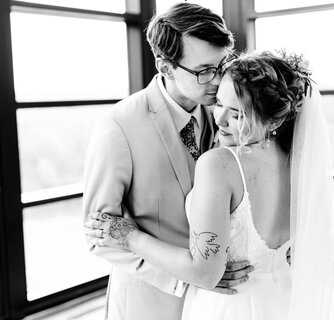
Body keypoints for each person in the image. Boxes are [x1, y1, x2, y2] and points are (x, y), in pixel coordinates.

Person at [86, 51, 334, 320]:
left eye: (237, 115)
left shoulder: (219, 164)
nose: (219, 120)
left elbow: (204, 273)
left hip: (229, 307)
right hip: (280, 300)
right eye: (218, 103)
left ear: (274, 120)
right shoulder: (299, 163)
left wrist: (130, 236)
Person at [83, 3, 252, 320]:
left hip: (220, 303)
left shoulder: (224, 115)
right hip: (149, 305)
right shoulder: (117, 127)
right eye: (204, 71)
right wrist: (190, 278)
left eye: (222, 65)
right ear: (166, 67)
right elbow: (99, 236)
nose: (217, 79)